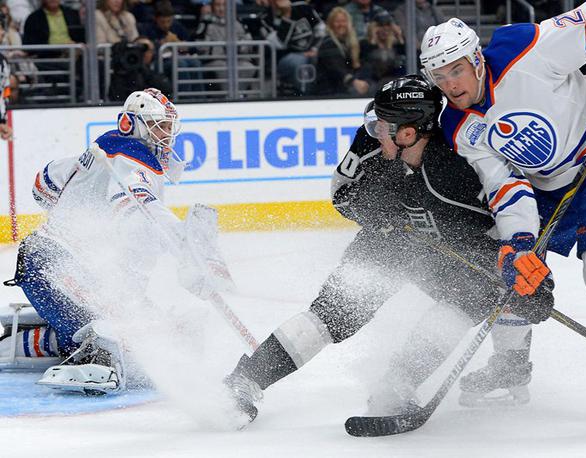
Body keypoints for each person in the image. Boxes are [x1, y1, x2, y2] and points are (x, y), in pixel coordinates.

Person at [222, 75, 553, 425]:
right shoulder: (372, 142)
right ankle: (246, 379)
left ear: (409, 132)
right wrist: (383, 214)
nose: (374, 129)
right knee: (336, 310)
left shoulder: (461, 166)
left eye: (383, 124)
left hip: (463, 252)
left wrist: (533, 285)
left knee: (467, 300)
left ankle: (399, 385)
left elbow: (516, 220)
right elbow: (343, 194)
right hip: (392, 239)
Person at [419, 4, 586, 429]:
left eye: (456, 70)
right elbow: (505, 186)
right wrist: (518, 245)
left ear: (475, 59)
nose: (450, 84)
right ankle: (510, 369)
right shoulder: (457, 125)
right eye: (440, 76)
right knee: (510, 267)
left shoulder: (520, 50)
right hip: (550, 182)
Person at [1, 88, 231, 393]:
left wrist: (78, 206)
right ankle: (90, 352)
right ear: (132, 124)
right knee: (129, 346)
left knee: (142, 329)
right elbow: (140, 204)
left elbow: (43, 184)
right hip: (54, 264)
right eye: (158, 125)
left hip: (56, 260)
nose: (166, 134)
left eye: (167, 126)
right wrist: (186, 248)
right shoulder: (134, 157)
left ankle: (30, 340)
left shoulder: (103, 148)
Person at [258, 0, 325, 96]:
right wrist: (287, 15)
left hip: (312, 51)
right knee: (300, 62)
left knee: (326, 57)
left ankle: (327, 94)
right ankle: (306, 96)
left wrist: (315, 48)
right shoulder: (265, 19)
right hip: (284, 58)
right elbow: (279, 44)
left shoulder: (304, 8)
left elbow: (321, 29)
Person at [315, 6, 370, 96]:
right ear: (331, 24)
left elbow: (359, 65)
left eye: (343, 21)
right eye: (337, 21)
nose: (341, 24)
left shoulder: (351, 43)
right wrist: (354, 82)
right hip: (330, 90)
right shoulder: (327, 42)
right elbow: (336, 69)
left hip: (344, 86)